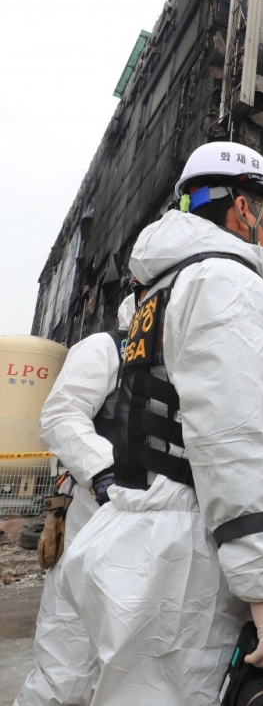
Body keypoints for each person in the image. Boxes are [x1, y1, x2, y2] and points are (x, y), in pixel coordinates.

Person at [60, 141, 263, 706]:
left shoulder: (160, 291)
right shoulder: (226, 283)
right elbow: (233, 442)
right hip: (186, 554)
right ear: (242, 206)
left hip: (137, 528)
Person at [14, 293, 135, 706]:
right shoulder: (105, 348)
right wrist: (105, 476)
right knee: (68, 656)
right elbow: (62, 414)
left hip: (153, 522)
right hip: (94, 510)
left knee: (133, 662)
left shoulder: (187, 355)